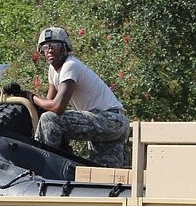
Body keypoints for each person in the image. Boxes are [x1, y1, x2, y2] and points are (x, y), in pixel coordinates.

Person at [21, 26, 129, 167]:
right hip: (113, 123)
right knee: (104, 176)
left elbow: (56, 108)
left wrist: (30, 96)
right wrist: (22, 95)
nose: (50, 50)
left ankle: (42, 167)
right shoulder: (53, 70)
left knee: (49, 119)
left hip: (109, 120)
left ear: (65, 48)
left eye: (55, 45)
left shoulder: (70, 66)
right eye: (45, 47)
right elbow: (49, 102)